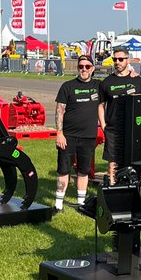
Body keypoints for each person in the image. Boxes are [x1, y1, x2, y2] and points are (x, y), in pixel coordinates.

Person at [54, 55, 101, 210]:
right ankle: (58, 204)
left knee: (83, 170)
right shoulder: (67, 86)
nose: (84, 69)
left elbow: (117, 82)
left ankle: (81, 203)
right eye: (81, 66)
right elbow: (60, 110)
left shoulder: (99, 86)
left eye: (87, 66)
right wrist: (59, 133)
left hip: (88, 136)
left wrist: (131, 72)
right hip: (68, 136)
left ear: (92, 68)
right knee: (63, 170)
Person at [98, 46, 141, 184]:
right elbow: (101, 105)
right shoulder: (107, 82)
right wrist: (104, 126)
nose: (117, 62)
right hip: (114, 129)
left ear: (128, 60)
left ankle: (134, 188)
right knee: (113, 162)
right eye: (115, 59)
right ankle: (114, 188)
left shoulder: (138, 81)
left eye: (121, 59)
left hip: (134, 129)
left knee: (134, 160)